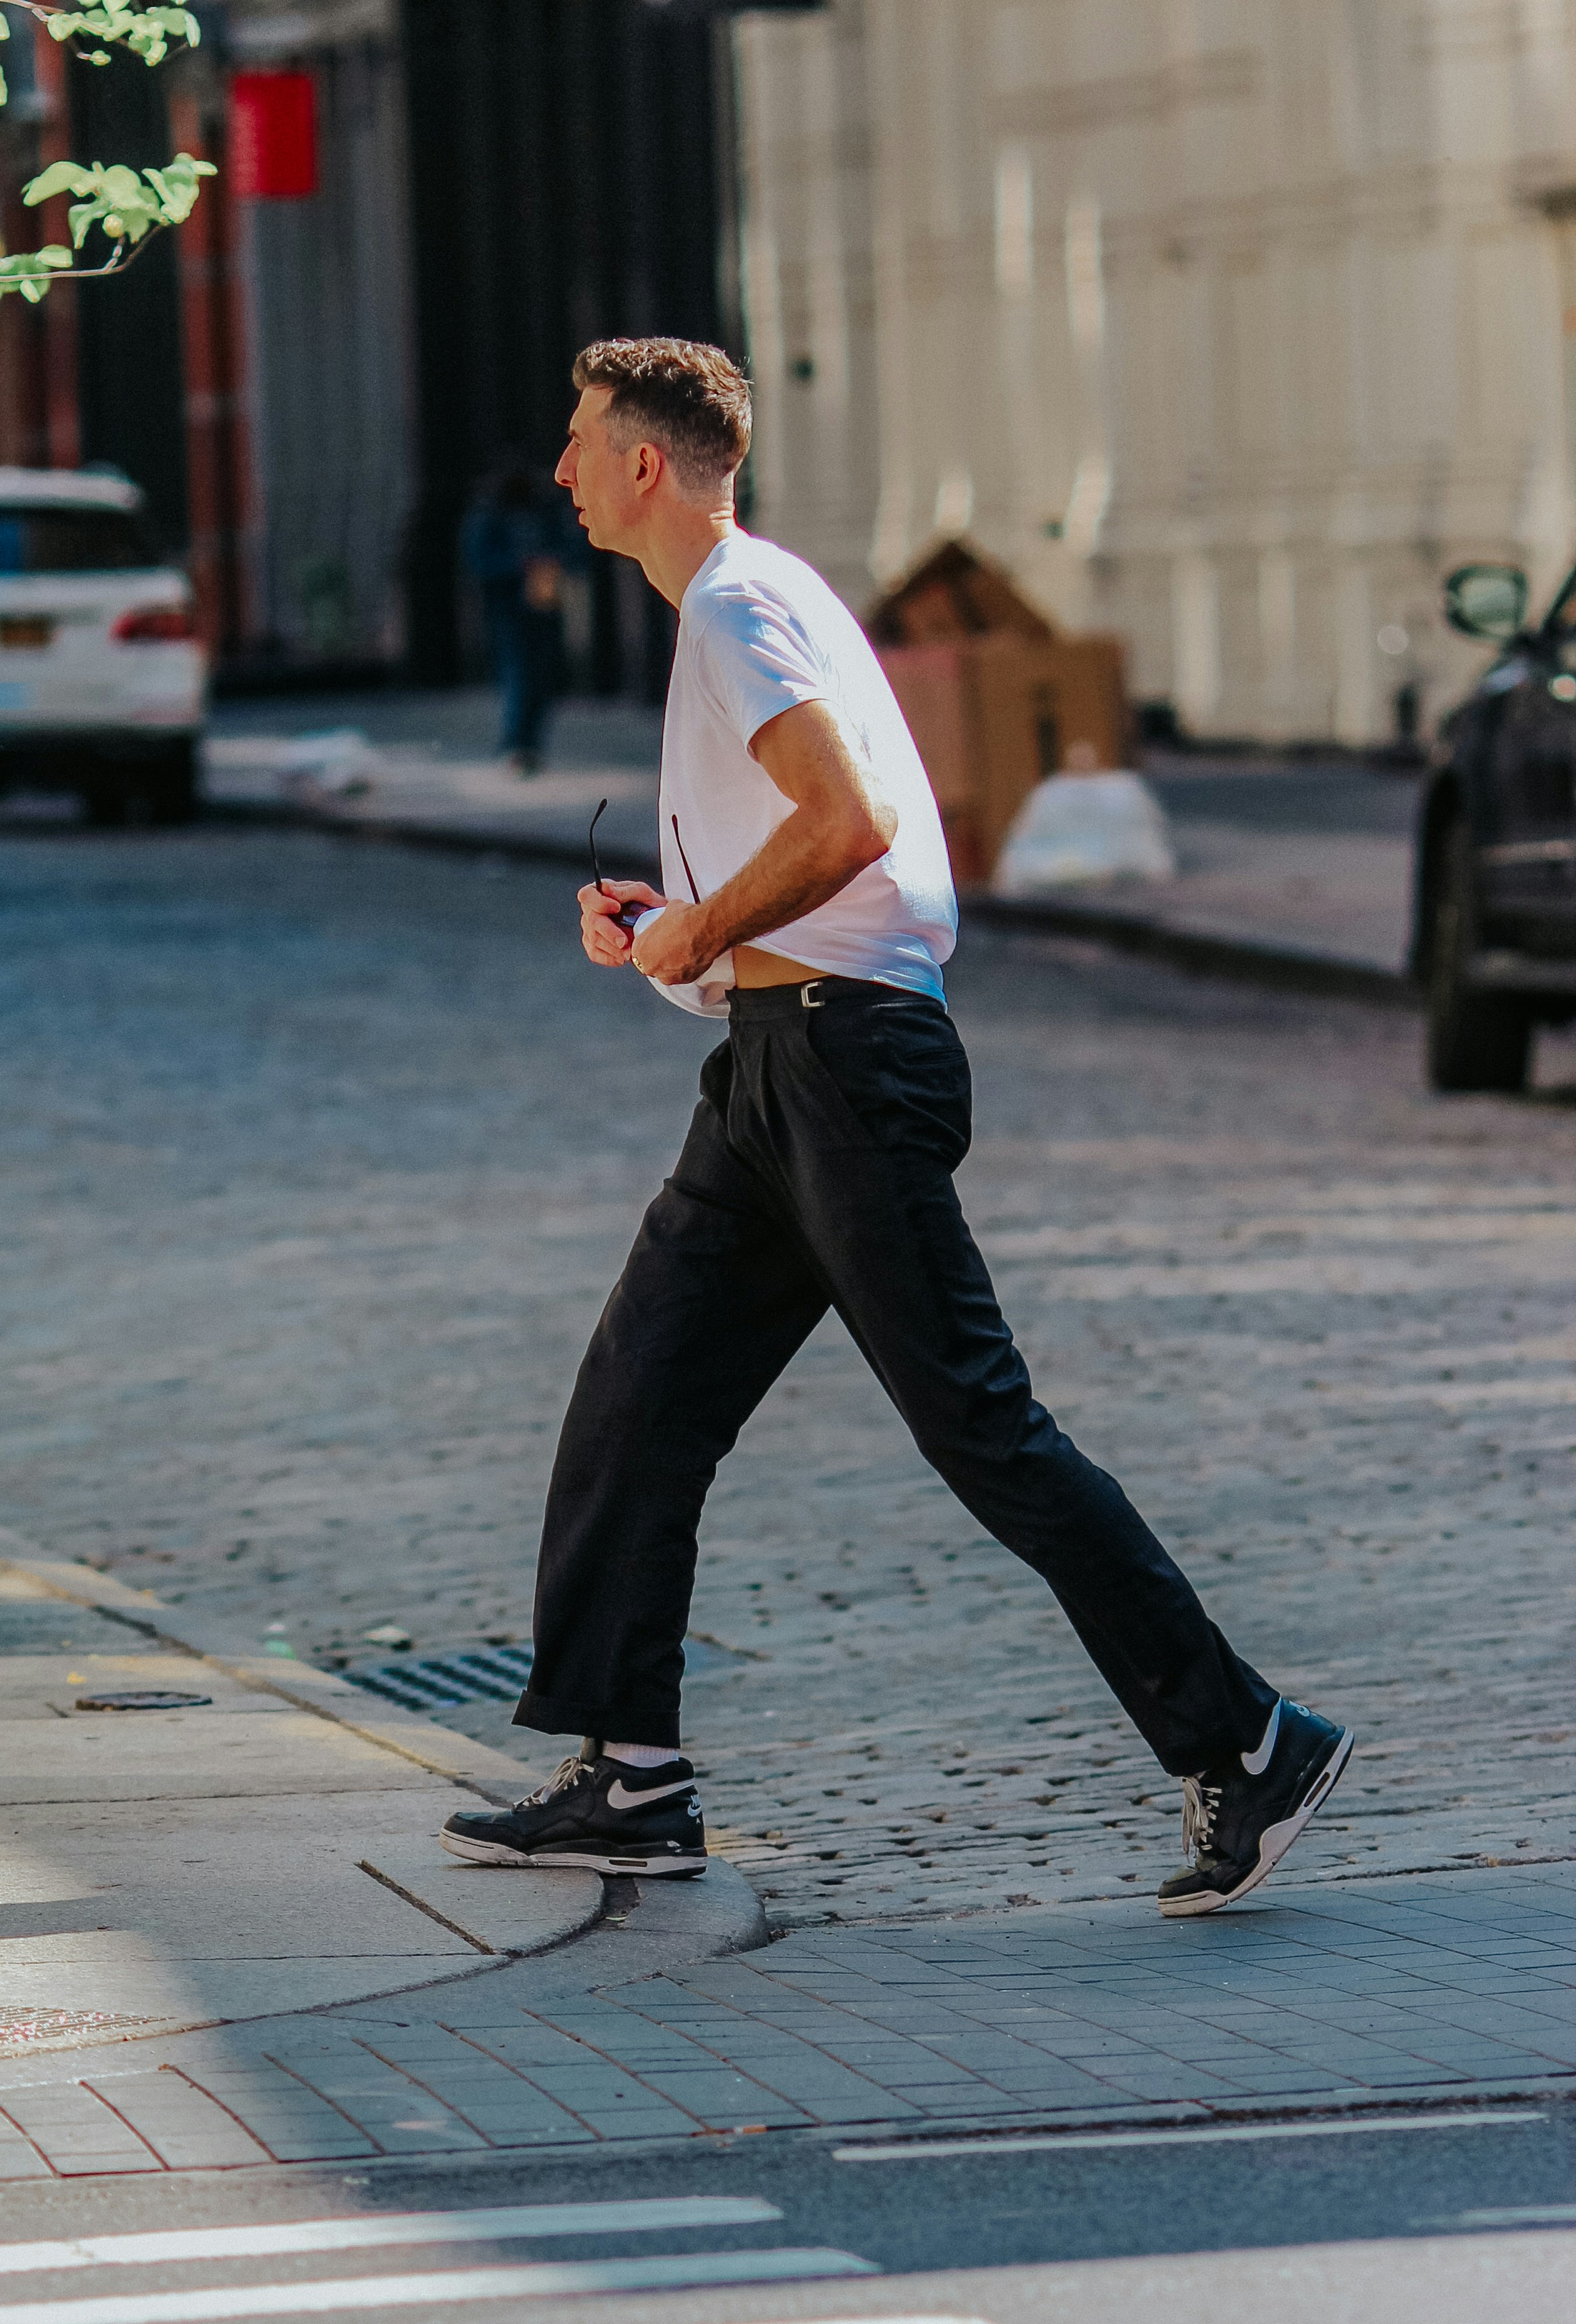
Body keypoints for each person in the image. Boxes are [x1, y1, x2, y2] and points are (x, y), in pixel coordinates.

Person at [441, 338, 1354, 1917]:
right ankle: (633, 1777)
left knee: (981, 1428)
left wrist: (702, 924)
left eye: (583, 439)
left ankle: (1249, 1740)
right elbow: (810, 860)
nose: (564, 468)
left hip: (845, 1069)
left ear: (647, 462)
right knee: (638, 1395)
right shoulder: (743, 602)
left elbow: (848, 823)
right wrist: (681, 931)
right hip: (779, 1063)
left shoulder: (735, 606)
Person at [460, 461, 569, 770]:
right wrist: (518, 564)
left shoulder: (543, 510)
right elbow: (479, 561)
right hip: (507, 608)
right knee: (518, 674)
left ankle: (530, 743)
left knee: (541, 675)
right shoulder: (490, 514)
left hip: (542, 603)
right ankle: (516, 744)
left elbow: (568, 548)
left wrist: (551, 560)